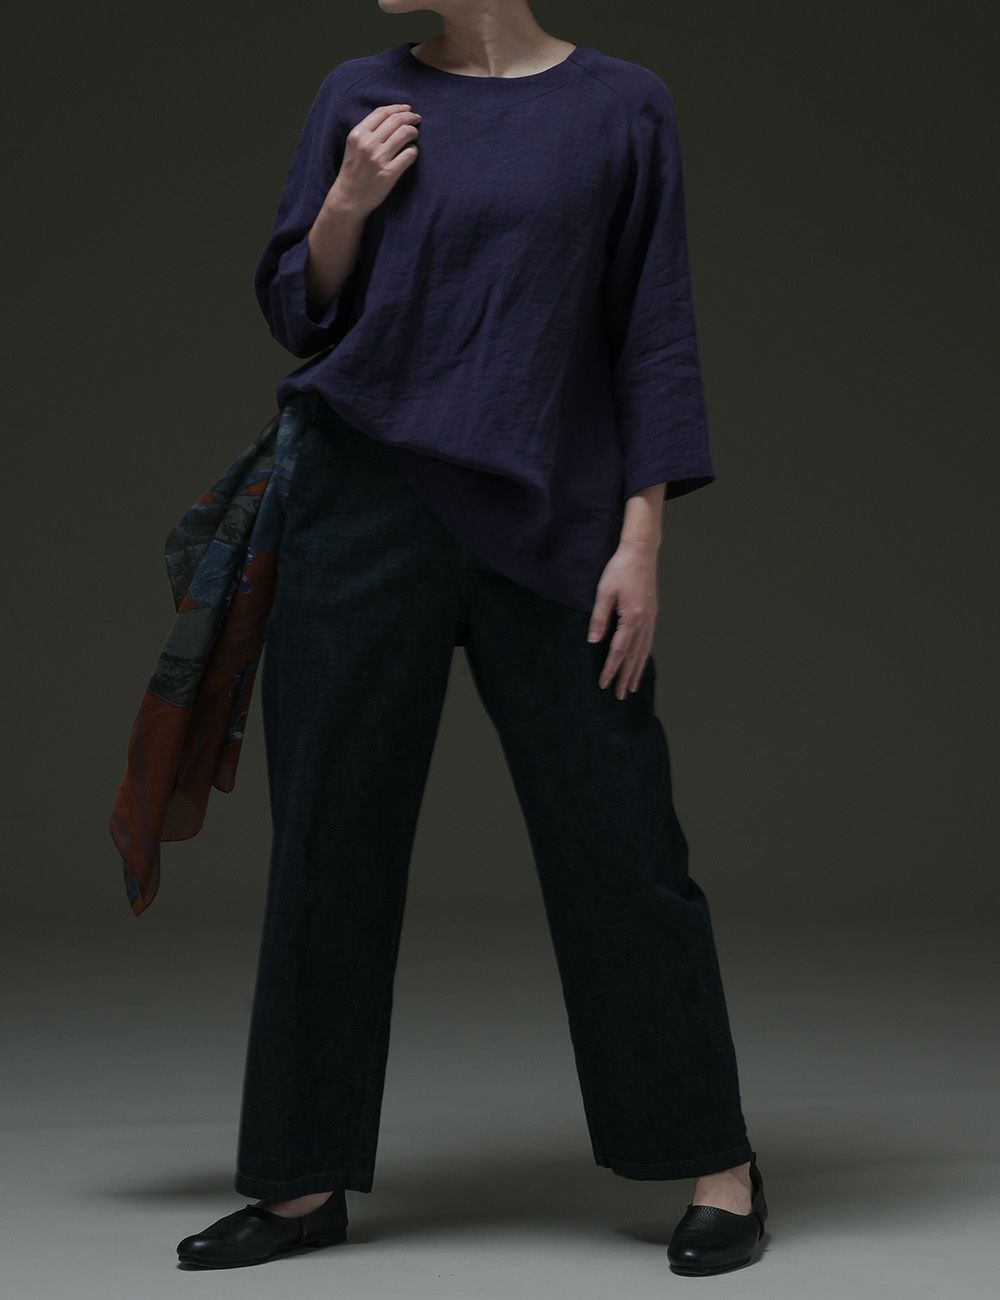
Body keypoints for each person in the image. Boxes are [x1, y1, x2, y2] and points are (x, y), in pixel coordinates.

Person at [176, 1, 768, 1276]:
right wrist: (347, 198)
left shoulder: (622, 106)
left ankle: (717, 1162)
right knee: (329, 840)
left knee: (621, 843)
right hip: (359, 505)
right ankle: (299, 1180)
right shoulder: (355, 92)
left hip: (555, 519)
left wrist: (642, 539)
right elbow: (296, 304)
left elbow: (651, 327)